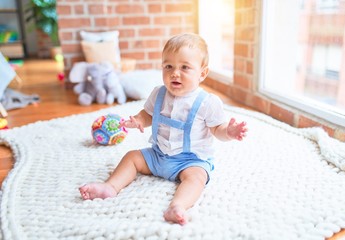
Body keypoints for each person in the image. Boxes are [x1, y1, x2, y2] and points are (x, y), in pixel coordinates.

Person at [79, 33, 248, 225]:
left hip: (190, 160)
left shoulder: (207, 103)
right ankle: (110, 187)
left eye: (185, 67)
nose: (175, 73)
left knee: (197, 178)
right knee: (132, 157)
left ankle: (178, 206)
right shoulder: (158, 94)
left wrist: (229, 132)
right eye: (168, 66)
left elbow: (218, 128)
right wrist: (138, 120)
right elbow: (148, 114)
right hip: (158, 154)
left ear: (202, 73)